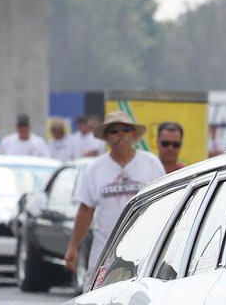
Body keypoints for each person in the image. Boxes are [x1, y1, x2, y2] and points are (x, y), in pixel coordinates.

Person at [64, 111, 164, 275]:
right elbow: (85, 210)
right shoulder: (95, 169)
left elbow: (165, 203)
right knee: (96, 296)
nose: (120, 135)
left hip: (145, 247)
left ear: (133, 134)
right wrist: (73, 246)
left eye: (125, 130)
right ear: (106, 137)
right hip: (105, 249)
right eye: (114, 131)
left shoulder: (151, 163)